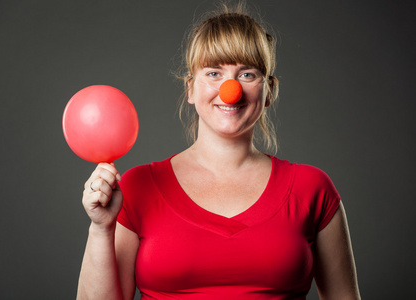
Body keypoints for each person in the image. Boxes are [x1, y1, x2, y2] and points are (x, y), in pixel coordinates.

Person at [76, 2, 361, 300]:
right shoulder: (136, 188)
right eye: (213, 73)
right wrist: (100, 228)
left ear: (269, 92)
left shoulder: (312, 189)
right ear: (190, 89)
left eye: (247, 74)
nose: (231, 89)